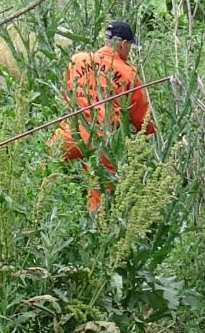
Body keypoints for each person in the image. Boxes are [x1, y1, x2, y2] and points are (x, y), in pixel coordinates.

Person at [53, 19, 155, 214]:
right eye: (130, 46)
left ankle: (44, 217)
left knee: (44, 164)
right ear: (124, 44)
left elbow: (66, 95)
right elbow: (142, 118)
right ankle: (96, 235)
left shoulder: (77, 59)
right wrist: (149, 132)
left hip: (73, 133)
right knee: (101, 199)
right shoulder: (128, 73)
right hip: (104, 140)